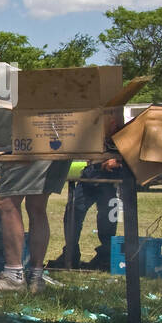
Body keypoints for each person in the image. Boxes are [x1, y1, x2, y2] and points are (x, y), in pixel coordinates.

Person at [0, 63, 69, 293]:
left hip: (30, 135)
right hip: (62, 131)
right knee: (37, 206)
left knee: (6, 202)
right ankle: (36, 277)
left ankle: (13, 275)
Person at [50, 109, 130, 270]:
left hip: (110, 179)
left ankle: (105, 257)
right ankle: (70, 254)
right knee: (73, 212)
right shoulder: (95, 129)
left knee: (107, 219)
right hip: (91, 173)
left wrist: (117, 161)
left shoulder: (125, 134)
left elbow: (132, 156)